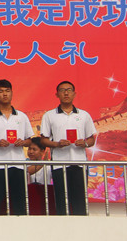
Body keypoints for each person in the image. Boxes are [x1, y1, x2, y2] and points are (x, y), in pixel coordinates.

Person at [40, 81, 97, 215]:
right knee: (61, 201)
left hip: (80, 164)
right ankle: (62, 227)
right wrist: (57, 144)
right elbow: (43, 140)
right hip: (59, 164)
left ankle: (81, 226)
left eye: (69, 90)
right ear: (57, 94)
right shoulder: (49, 115)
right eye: (62, 90)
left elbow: (91, 139)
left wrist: (85, 143)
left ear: (74, 94)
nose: (66, 93)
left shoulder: (84, 115)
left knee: (80, 202)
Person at [0, 79, 33, 216]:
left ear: (12, 93)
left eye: (7, 91)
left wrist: (23, 142)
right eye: (1, 91)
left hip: (18, 164)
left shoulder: (21, 116)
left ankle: (20, 225)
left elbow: (29, 140)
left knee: (19, 202)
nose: (4, 94)